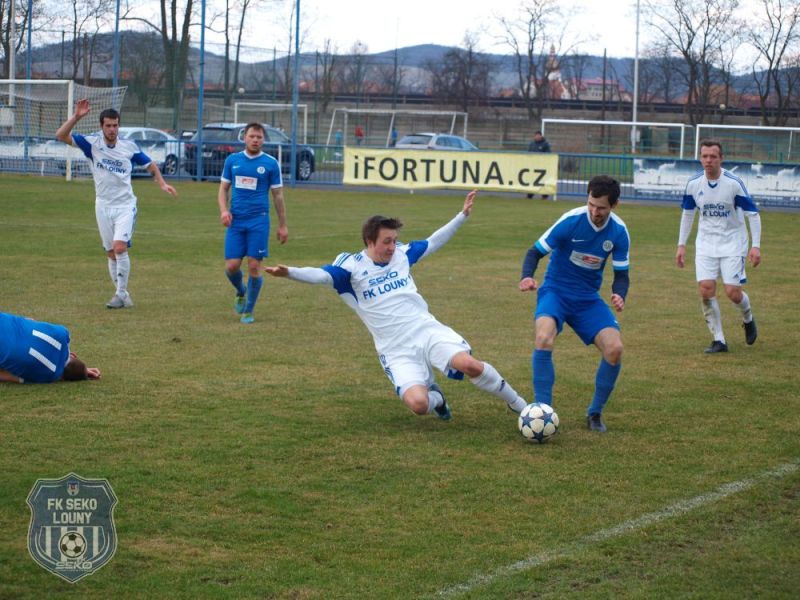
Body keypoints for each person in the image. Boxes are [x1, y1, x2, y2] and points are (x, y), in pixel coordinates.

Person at [265, 190, 528, 420]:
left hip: (426, 331)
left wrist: (462, 216)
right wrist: (290, 272)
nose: (392, 246)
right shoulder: (351, 268)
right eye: (386, 241)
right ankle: (438, 399)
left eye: (394, 240)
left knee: (469, 365)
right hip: (394, 348)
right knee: (419, 404)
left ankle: (520, 405)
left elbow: (433, 241)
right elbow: (321, 275)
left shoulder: (401, 255)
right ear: (370, 241)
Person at [519, 175, 630, 432]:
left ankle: (594, 413)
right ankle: (542, 412)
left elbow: (622, 274)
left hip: (587, 300)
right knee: (544, 336)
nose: (594, 211)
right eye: (591, 204)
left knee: (614, 349)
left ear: (614, 205)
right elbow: (534, 251)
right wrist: (527, 276)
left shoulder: (619, 232)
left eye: (601, 207)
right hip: (555, 291)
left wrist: (618, 293)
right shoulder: (571, 220)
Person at [55, 99, 177, 309]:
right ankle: (123, 296)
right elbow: (60, 136)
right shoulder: (91, 143)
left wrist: (162, 183)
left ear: (119, 125)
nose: (112, 129)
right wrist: (76, 117)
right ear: (102, 126)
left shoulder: (128, 146)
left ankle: (120, 294)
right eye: (108, 125)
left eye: (115, 125)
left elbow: (151, 165)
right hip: (102, 205)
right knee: (111, 252)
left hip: (125, 206)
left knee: (120, 248)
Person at [676, 139, 761, 354]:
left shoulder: (733, 183)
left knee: (733, 292)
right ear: (700, 158)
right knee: (706, 289)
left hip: (733, 242)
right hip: (706, 243)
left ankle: (748, 317)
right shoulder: (694, 184)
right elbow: (687, 214)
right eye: (704, 156)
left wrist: (756, 246)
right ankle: (719, 340)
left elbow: (753, 214)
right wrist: (681, 245)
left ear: (721, 159)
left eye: (713, 156)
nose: (708, 160)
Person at [218, 122, 288, 324]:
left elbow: (278, 196)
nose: (255, 140)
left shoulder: (270, 163)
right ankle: (241, 290)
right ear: (244, 138)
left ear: (263, 140)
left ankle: (248, 310)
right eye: (252, 136)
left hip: (259, 221)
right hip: (236, 221)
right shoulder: (233, 161)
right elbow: (223, 189)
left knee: (254, 266)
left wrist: (282, 225)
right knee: (231, 266)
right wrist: (224, 211)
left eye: (259, 137)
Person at [0, 311, 100, 383]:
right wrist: (78, 372)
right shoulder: (46, 376)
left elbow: (30, 320)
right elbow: (6, 376)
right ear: (62, 379)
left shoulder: (62, 333)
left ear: (73, 355)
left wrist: (82, 369)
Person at [527, 130, 552, 199]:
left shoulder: (545, 144)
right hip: (533, 166)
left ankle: (544, 195)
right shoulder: (532, 144)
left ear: (541, 136)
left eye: (538, 135)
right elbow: (528, 153)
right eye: (536, 136)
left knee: (543, 181)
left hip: (542, 166)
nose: (537, 137)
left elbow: (548, 154)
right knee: (532, 180)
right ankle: (530, 195)